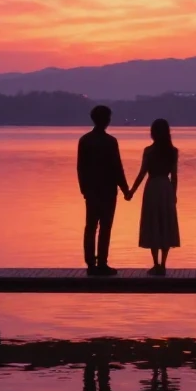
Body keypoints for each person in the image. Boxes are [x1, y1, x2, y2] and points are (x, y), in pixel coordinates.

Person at [77, 104, 130, 275]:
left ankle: (91, 264)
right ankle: (102, 263)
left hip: (92, 191)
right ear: (106, 120)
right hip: (107, 190)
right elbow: (117, 167)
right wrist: (125, 189)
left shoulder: (85, 140)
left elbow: (81, 168)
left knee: (91, 226)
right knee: (105, 227)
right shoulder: (110, 142)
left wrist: (84, 189)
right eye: (108, 118)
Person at [127, 118, 180, 275]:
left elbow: (142, 173)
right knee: (165, 223)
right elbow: (174, 176)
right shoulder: (173, 151)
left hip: (152, 188)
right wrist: (174, 194)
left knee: (153, 223)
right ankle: (163, 264)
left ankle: (155, 264)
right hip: (165, 188)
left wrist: (131, 191)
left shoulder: (148, 151)